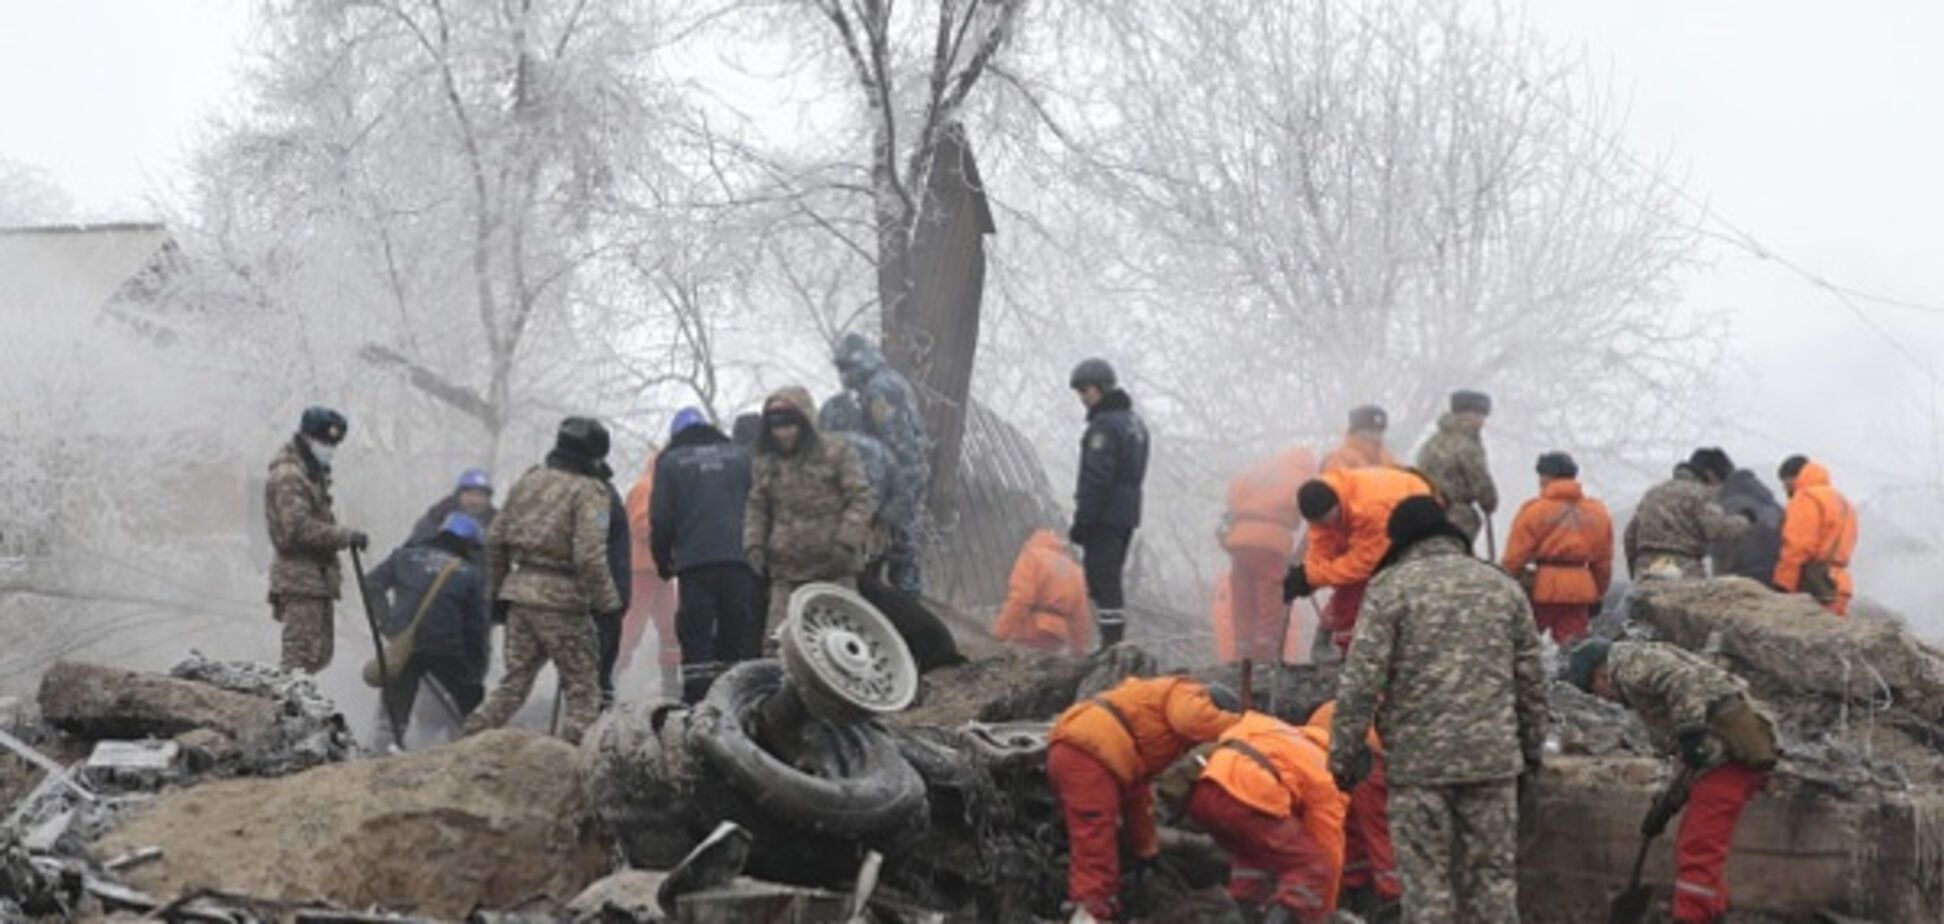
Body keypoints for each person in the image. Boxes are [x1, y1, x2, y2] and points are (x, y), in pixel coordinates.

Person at [1327, 497, 1548, 924]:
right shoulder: (1502, 587)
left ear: (1401, 542)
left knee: (1426, 891)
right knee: (1493, 885)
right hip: (1492, 763)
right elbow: (1532, 683)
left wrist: (1343, 757)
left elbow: (1360, 682)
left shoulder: (1390, 589)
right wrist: (1531, 751)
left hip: (1418, 767)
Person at [1566, 638, 1778, 924]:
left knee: (1699, 847)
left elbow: (1681, 679)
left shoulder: (1629, 666)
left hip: (1727, 759)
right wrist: (1666, 806)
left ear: (1600, 675)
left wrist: (1690, 734)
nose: (1603, 700)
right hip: (1719, 759)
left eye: (1595, 691)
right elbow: (1685, 760)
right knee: (1699, 843)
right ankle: (1711, 912)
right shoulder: (1640, 686)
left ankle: (1692, 916)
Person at [464, 417, 623, 745]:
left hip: (520, 595)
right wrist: (609, 604)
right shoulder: (590, 491)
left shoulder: (528, 481)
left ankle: (467, 739)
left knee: (513, 685)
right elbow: (589, 556)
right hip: (564, 603)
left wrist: (498, 592)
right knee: (583, 692)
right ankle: (573, 763)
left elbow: (495, 539)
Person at [1047, 675, 1241, 922]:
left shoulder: (1142, 741)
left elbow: (1137, 801)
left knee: (1094, 832)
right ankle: (1090, 912)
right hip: (1088, 751)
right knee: (1095, 836)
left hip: (1086, 749)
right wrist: (1244, 728)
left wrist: (1146, 851)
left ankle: (1090, 902)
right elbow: (1189, 720)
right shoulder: (1187, 692)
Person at [1187, 710, 1349, 923]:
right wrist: (1325, 912)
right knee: (1311, 866)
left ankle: (1244, 913)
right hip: (1250, 798)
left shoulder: (1272, 730)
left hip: (1204, 792)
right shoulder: (1327, 775)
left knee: (1253, 858)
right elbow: (1327, 848)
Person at [743, 387, 876, 636]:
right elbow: (757, 506)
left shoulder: (836, 452)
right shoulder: (766, 463)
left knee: (843, 639)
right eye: (776, 426)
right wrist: (754, 544)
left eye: (789, 425)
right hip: (786, 572)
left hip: (835, 569)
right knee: (778, 642)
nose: (783, 433)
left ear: (804, 422)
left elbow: (861, 498)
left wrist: (847, 540)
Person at [652, 407, 762, 704]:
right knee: (735, 635)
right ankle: (735, 704)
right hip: (739, 560)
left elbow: (661, 518)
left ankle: (697, 706)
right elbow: (759, 504)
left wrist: (662, 561)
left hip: (694, 564)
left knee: (696, 637)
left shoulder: (670, 462)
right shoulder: (741, 456)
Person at [363, 512, 490, 747]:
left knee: (392, 714)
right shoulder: (469, 574)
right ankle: (466, 748)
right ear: (469, 544)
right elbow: (476, 628)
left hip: (404, 645)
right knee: (469, 701)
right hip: (447, 650)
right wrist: (476, 671)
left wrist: (387, 622)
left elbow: (370, 585)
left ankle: (381, 752)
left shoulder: (403, 557)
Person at [1282, 467, 1432, 653]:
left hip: (1415, 516)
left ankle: (1368, 652)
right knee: (1347, 583)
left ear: (1337, 504)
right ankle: (1347, 649)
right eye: (1320, 522)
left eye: (1328, 519)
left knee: (1369, 586)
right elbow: (1322, 544)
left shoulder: (1369, 510)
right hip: (1373, 523)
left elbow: (1365, 564)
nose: (1326, 524)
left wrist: (1312, 577)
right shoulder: (1323, 503)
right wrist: (1307, 575)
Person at [265, 406, 369, 674]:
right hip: (300, 578)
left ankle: (296, 698)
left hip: (315, 578)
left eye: (333, 444)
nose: (330, 449)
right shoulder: (290, 475)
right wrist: (343, 536)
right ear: (308, 438)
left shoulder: (311, 474)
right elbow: (297, 528)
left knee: (317, 655)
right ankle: (285, 700)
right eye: (325, 442)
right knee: (299, 659)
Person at [833, 333, 933, 596]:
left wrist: (889, 491)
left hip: (899, 479)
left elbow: (895, 440)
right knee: (901, 545)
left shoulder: (879, 390)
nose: (844, 377)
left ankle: (906, 606)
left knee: (897, 545)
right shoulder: (891, 381)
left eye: (846, 368)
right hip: (908, 475)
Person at [1068, 358, 1150, 650]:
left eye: (1085, 390)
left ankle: (1111, 646)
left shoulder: (1103, 427)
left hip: (1104, 515)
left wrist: (1083, 520)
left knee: (1102, 580)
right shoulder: (1135, 424)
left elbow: (1096, 478)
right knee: (1111, 576)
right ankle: (1112, 642)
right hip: (1127, 514)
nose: (1082, 398)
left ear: (1101, 387)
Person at [1501, 451, 1614, 645]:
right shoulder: (1598, 512)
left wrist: (1504, 585)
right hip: (1579, 592)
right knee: (1573, 648)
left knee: (1526, 643)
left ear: (1547, 477)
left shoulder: (1534, 511)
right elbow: (1603, 562)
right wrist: (1597, 593)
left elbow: (1514, 558)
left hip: (1541, 590)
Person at [1220, 446, 1317, 664]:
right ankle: (1265, 654)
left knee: (1242, 595)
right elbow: (1313, 519)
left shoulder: (1262, 470)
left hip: (1240, 538)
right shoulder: (1303, 478)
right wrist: (1300, 558)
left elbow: (1234, 493)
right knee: (1269, 597)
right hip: (1272, 541)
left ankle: (1243, 651)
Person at [1308, 700, 1397, 917]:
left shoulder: (1336, 706)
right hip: (1367, 761)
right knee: (1380, 835)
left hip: (1331, 763)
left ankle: (1359, 894)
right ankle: (1393, 902)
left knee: (1353, 834)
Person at [1624, 448, 1748, 580]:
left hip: (1646, 572)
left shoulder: (1653, 493)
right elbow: (1715, 529)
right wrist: (1745, 520)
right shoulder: (1702, 494)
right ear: (1711, 475)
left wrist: (1636, 573)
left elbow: (1629, 537)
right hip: (1683, 573)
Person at [818, 392, 905, 580]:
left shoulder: (822, 448)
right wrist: (879, 521)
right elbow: (900, 496)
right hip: (870, 537)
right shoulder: (883, 451)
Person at [625, 449, 680, 699]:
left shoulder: (661, 489)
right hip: (642, 571)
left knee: (672, 628)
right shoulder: (645, 488)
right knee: (631, 629)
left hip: (661, 570)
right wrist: (671, 526)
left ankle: (671, 685)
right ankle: (609, 680)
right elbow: (640, 525)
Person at [1773, 455, 1859, 615]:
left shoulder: (1806, 498)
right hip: (1838, 587)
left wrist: (1783, 586)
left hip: (1813, 588)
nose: (1784, 489)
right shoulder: (1843, 502)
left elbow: (1797, 546)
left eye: (1784, 483)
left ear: (1792, 478)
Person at [1413, 390, 1498, 546]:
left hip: (1425, 511)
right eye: (1479, 415)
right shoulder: (1466, 444)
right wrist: (1489, 502)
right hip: (1454, 512)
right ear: (1466, 415)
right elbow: (1479, 479)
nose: (1482, 422)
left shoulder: (1432, 441)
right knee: (1460, 539)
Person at [992, 527, 1092, 656]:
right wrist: (1079, 651)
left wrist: (999, 635)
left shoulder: (1031, 556)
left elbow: (1020, 599)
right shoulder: (1075, 570)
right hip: (1057, 638)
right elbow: (1080, 616)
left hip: (1030, 632)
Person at [593, 457, 633, 710]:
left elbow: (598, 541)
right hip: (609, 586)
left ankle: (596, 709)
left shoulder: (602, 495)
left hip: (606, 587)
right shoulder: (605, 492)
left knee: (600, 656)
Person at [1709, 460, 1784, 582]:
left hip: (1739, 575)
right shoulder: (1775, 506)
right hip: (1775, 572)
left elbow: (1716, 543)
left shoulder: (1726, 505)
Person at [407, 468, 496, 545]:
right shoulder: (441, 511)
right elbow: (419, 539)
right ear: (459, 495)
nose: (475, 501)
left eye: (480, 495)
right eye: (470, 494)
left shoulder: (495, 519)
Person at [1320, 405, 1396, 472]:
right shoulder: (1338, 460)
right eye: (1369, 432)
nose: (1375, 438)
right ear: (1353, 432)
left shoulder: (1388, 460)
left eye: (1378, 432)